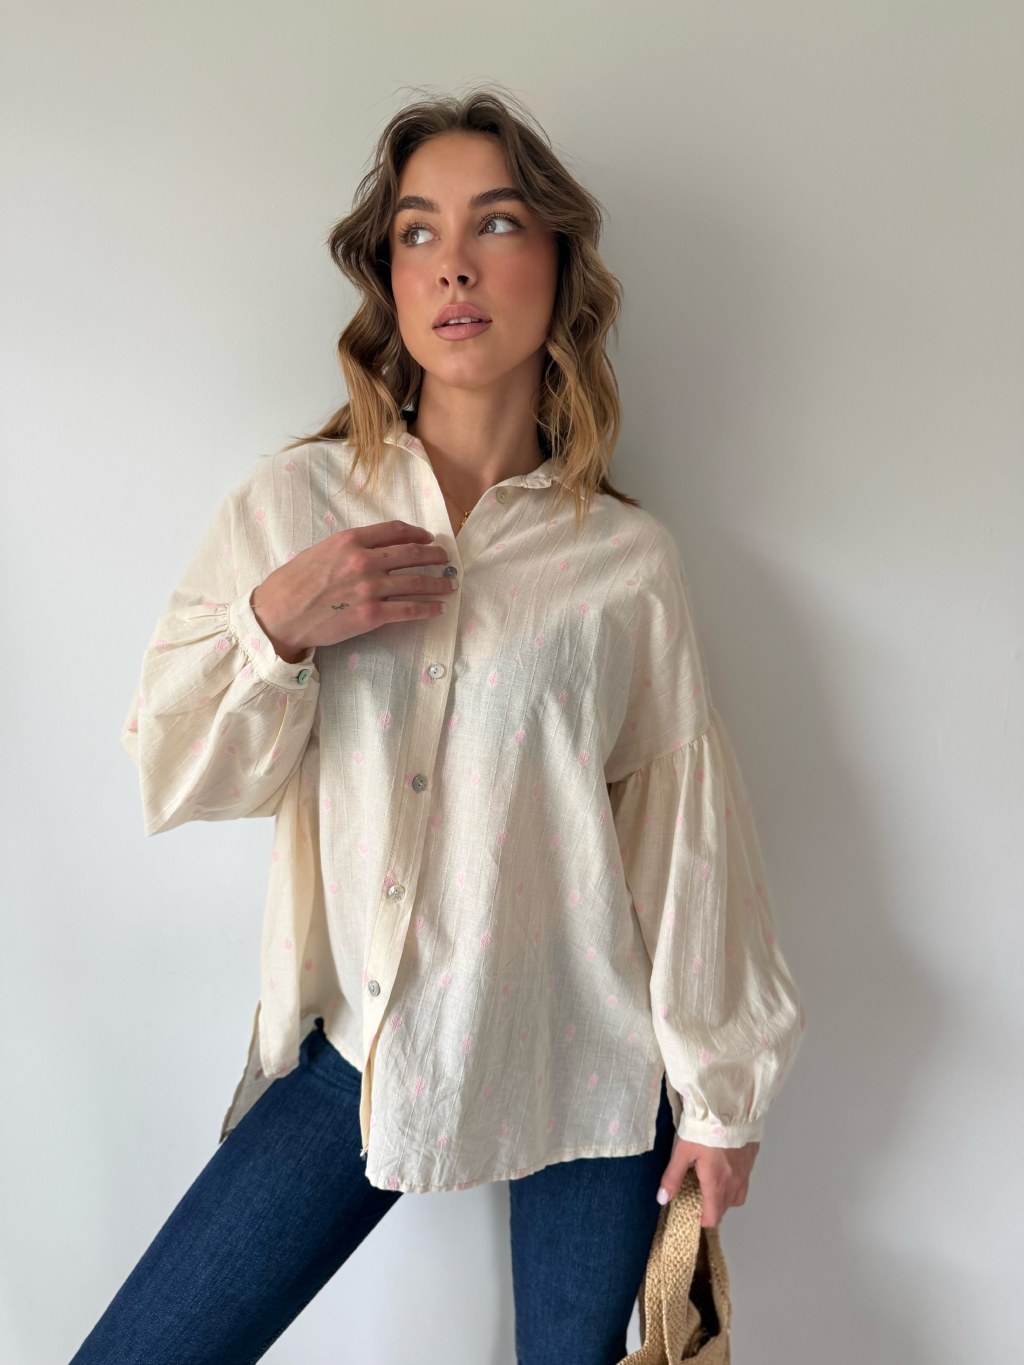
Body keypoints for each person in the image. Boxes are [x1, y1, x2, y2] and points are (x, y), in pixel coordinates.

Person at [73, 88, 803, 1365]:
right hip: (357, 1049)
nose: (453, 262)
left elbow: (680, 837)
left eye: (496, 222)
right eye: (418, 232)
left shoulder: (622, 561)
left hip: (586, 1067)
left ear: (558, 265)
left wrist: (719, 1097)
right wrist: (274, 625)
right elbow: (177, 769)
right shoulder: (295, 504)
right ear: (390, 278)